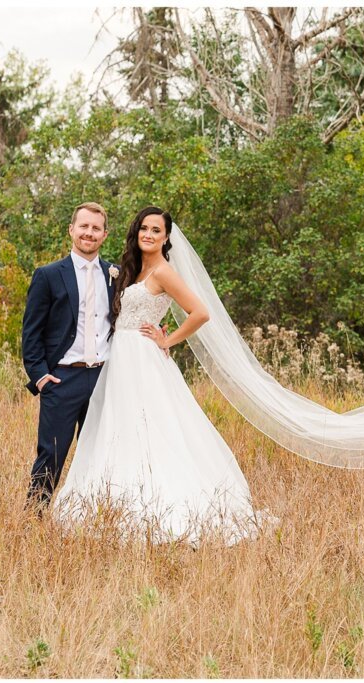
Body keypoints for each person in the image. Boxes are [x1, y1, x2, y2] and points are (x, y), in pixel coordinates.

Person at [51, 206, 267, 545]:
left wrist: (168, 340)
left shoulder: (164, 271)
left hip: (143, 358)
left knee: (150, 426)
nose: (148, 235)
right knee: (120, 427)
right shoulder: (132, 269)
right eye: (144, 228)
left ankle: (159, 500)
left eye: (156, 230)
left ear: (166, 238)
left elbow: (200, 313)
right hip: (118, 358)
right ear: (136, 232)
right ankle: (112, 499)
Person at [22, 201, 116, 512]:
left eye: (96, 228)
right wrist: (40, 377)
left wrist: (160, 337)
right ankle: (33, 518)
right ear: (71, 230)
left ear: (104, 235)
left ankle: (94, 519)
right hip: (62, 379)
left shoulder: (116, 275)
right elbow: (31, 333)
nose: (89, 233)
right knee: (51, 453)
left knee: (102, 454)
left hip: (103, 378)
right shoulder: (48, 275)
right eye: (84, 226)